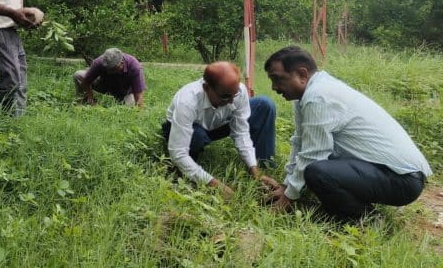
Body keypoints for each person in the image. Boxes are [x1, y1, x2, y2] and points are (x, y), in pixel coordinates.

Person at [262, 46, 432, 221]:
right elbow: (300, 142)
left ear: (302, 75)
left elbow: (313, 154)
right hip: (390, 173)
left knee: (316, 171)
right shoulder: (309, 93)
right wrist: (287, 185)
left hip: (403, 180)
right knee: (316, 167)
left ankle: (367, 219)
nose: (274, 87)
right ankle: (344, 209)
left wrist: (289, 197)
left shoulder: (318, 96)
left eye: (277, 79)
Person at [162, 61, 277, 197]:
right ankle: (184, 173)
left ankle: (264, 167)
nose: (231, 102)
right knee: (197, 137)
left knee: (264, 104)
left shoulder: (238, 92)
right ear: (206, 88)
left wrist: (254, 169)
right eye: (225, 96)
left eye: (234, 95)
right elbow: (178, 152)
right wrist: (214, 184)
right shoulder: (187, 101)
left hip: (215, 126)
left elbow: (241, 132)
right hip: (184, 130)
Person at [73, 48, 146, 108]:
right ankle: (83, 102)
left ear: (121, 63)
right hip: (104, 84)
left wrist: (140, 114)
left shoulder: (134, 66)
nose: (109, 72)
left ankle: (121, 101)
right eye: (107, 69)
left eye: (112, 69)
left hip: (125, 91)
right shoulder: (99, 62)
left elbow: (139, 95)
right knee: (78, 75)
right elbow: (86, 81)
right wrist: (90, 97)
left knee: (129, 109)